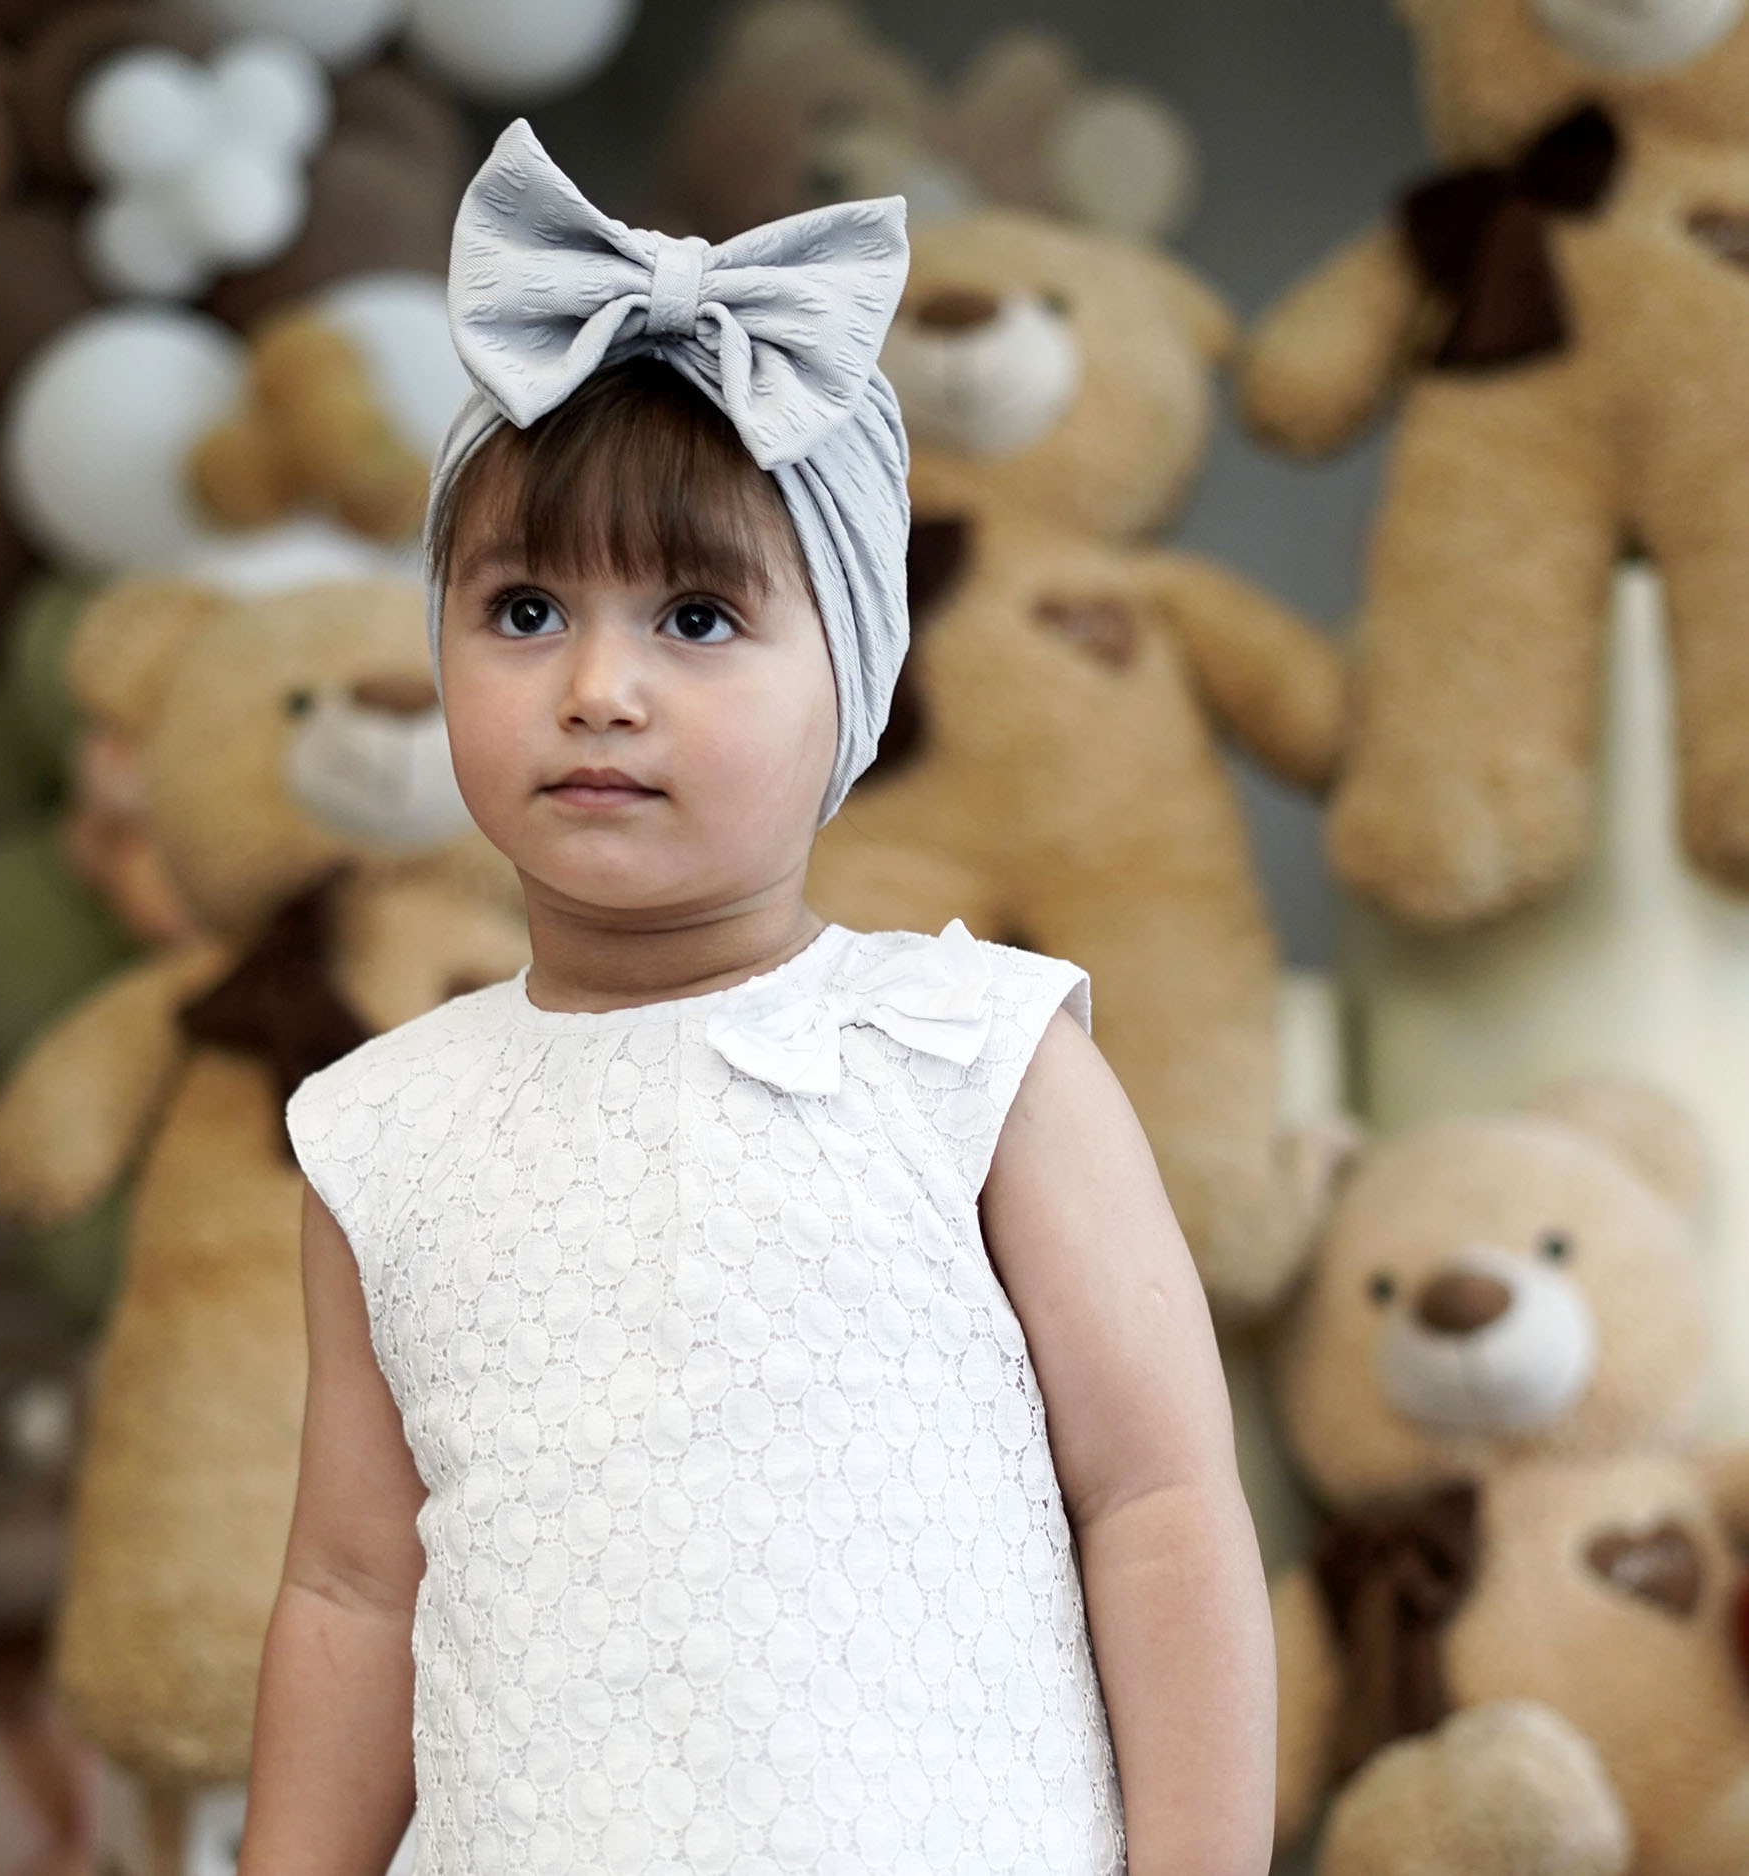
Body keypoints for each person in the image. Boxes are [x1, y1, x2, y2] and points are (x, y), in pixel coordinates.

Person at [239, 119, 1274, 1876]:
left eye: (700, 619)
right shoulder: (383, 1133)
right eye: (523, 610)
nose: (598, 687)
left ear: (850, 679)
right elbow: (350, 1588)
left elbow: (1159, 1505)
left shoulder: (974, 1062)